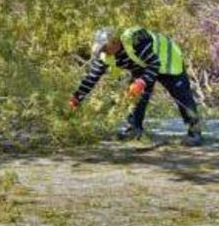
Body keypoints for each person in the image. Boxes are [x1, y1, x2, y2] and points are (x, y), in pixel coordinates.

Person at [69, 27, 203, 146]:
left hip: (167, 61)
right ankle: (134, 129)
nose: (103, 51)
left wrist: (141, 82)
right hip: (143, 65)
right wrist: (76, 98)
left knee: (182, 96)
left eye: (105, 47)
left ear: (115, 42)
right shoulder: (105, 56)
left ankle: (195, 131)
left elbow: (155, 64)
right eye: (101, 48)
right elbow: (91, 78)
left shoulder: (136, 41)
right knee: (135, 95)